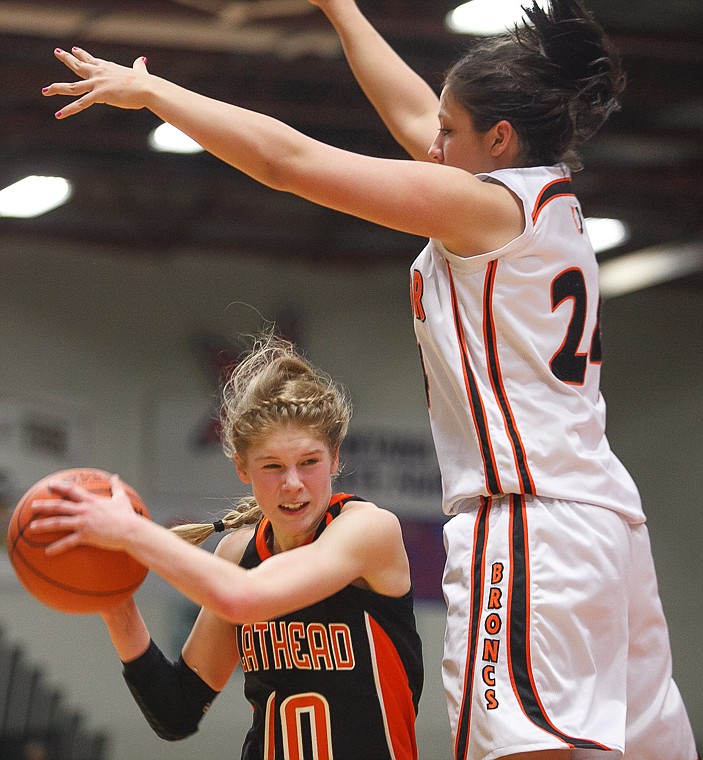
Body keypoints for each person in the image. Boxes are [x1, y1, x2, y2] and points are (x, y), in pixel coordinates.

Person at [40, 1, 698, 757]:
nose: (431, 140)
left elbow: (289, 163)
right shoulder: (544, 202)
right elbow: (414, 111)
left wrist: (157, 94)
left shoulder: (482, 206)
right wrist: (340, 9)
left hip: (527, 525)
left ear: (499, 139)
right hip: (604, 526)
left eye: (448, 132)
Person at [31, 333, 423, 760]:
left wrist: (131, 533)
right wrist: (112, 595)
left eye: (309, 462)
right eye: (272, 466)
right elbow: (176, 712)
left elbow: (244, 597)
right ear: (242, 468)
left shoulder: (369, 530)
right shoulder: (238, 553)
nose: (293, 484)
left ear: (335, 458)